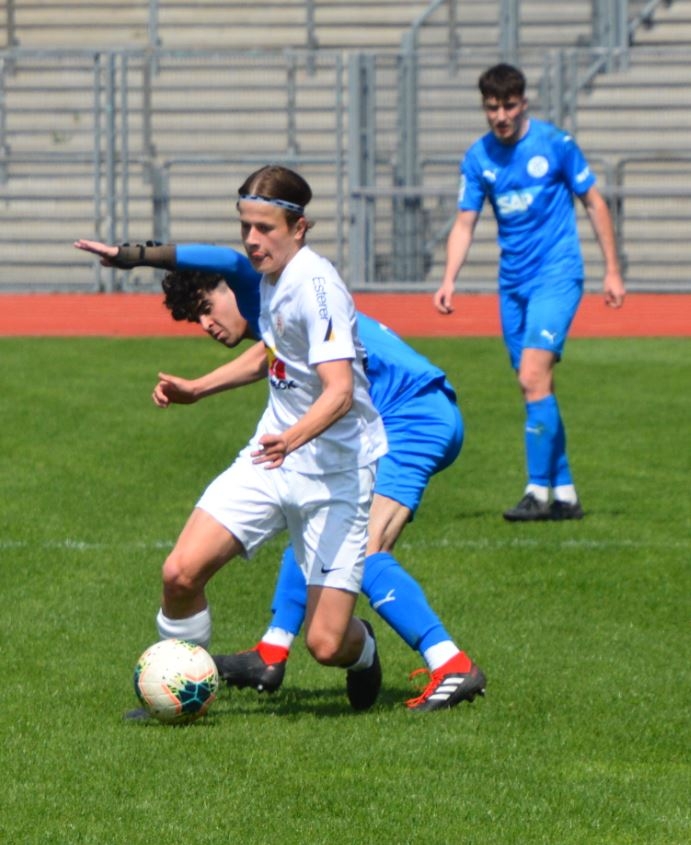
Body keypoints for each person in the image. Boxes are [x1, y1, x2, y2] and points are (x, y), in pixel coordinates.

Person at [73, 245, 487, 713]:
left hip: (413, 413)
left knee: (366, 549)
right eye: (196, 318)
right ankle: (271, 651)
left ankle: (451, 663)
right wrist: (200, 387)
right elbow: (268, 356)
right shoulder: (276, 314)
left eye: (208, 307)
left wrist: (136, 255)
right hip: (369, 420)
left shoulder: (277, 290)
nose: (206, 324)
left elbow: (231, 263)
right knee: (308, 522)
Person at [79, 165, 390, 712]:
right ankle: (184, 691)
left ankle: (363, 651)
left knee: (325, 644)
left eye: (264, 228)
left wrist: (293, 438)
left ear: (299, 228)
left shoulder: (317, 288)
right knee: (180, 574)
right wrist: (198, 388)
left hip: (336, 473)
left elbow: (340, 392)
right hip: (272, 458)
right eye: (246, 226)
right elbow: (274, 352)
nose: (251, 239)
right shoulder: (270, 279)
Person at [433, 63, 626, 522]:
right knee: (536, 386)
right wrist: (448, 278)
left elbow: (594, 202)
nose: (501, 116)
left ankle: (536, 491)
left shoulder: (555, 144)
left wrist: (613, 271)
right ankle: (566, 493)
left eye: (509, 106)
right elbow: (465, 223)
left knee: (532, 376)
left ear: (524, 103)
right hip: (513, 284)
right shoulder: (478, 158)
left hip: (557, 275)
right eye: (492, 107)